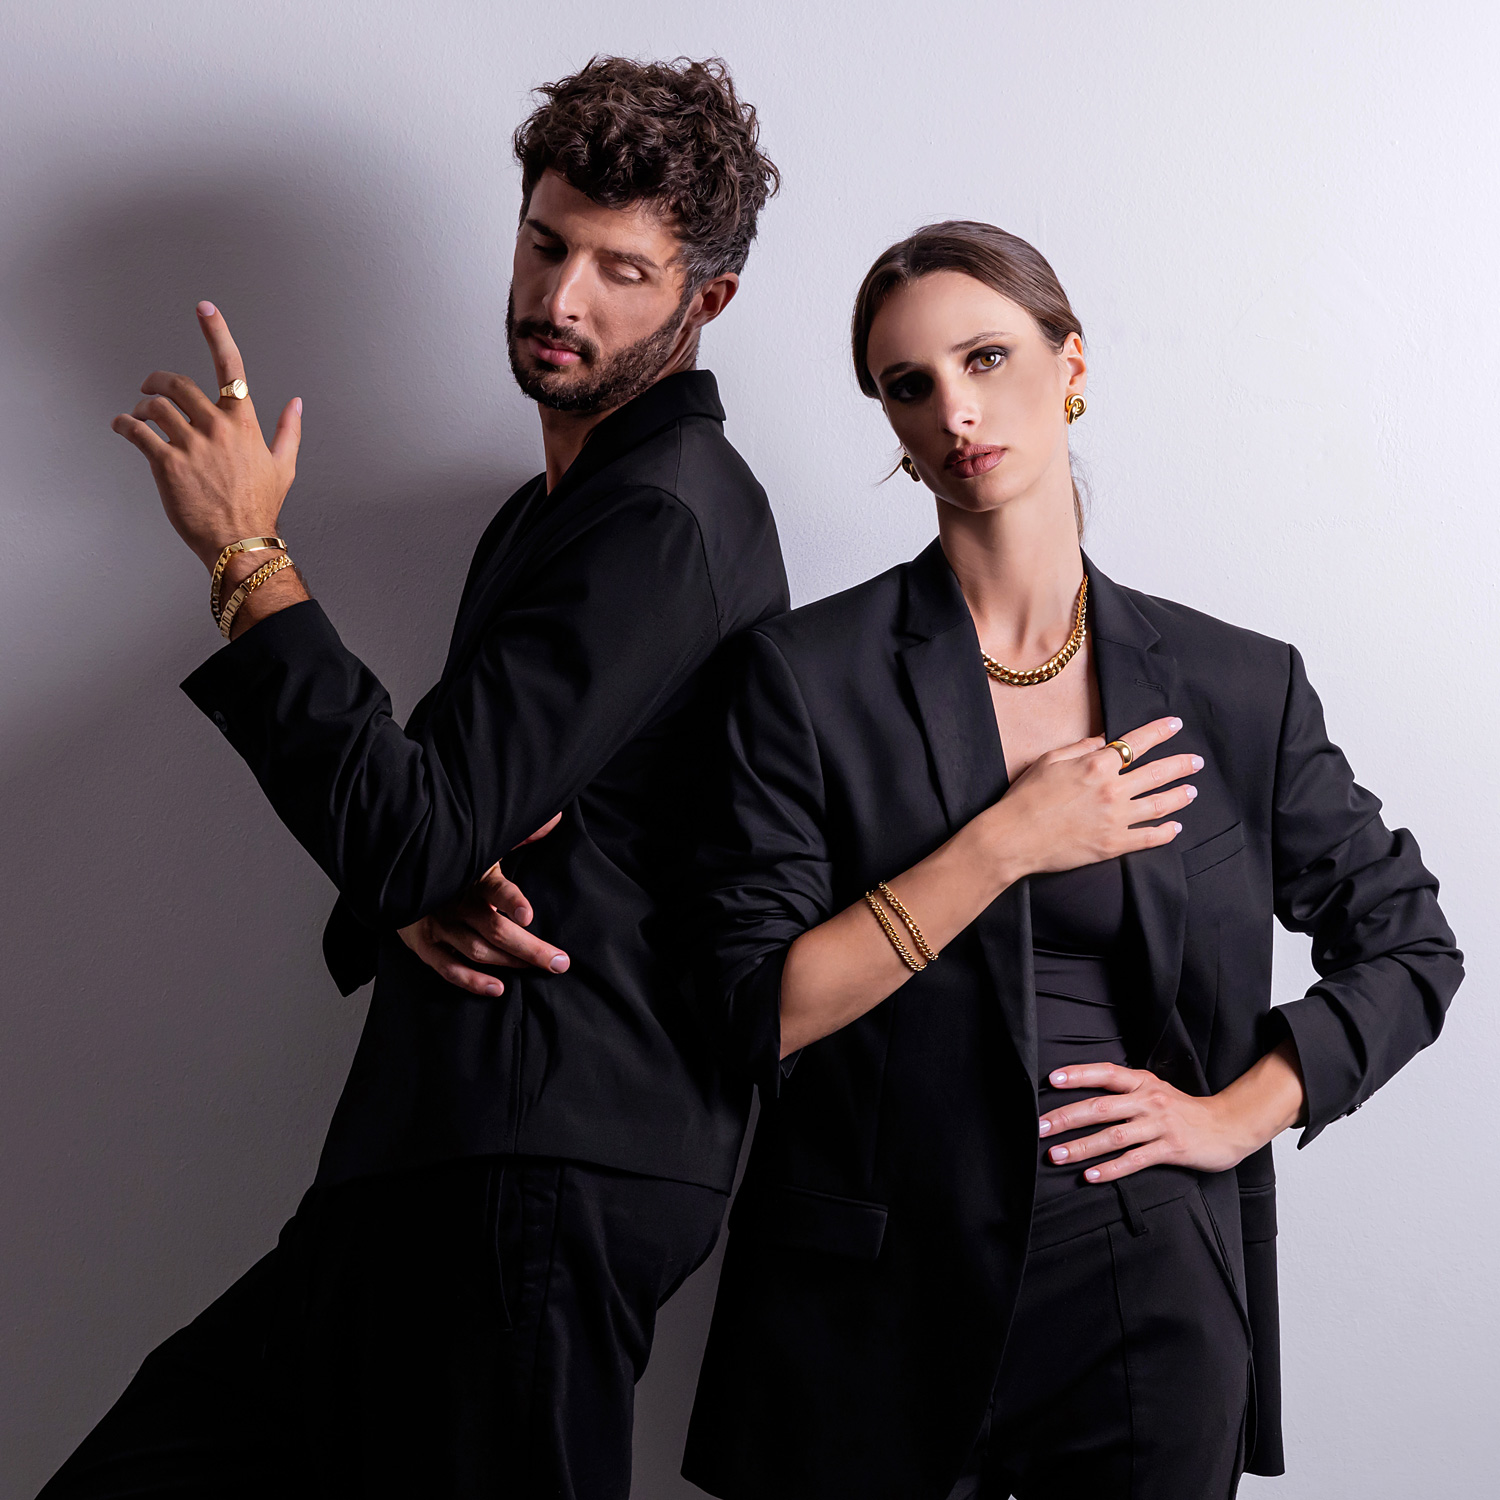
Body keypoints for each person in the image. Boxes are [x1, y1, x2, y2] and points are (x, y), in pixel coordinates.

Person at [42, 56, 786, 1500]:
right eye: (546, 242)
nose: (561, 297)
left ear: (707, 300)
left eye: (621, 270)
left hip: (542, 1159)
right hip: (446, 1150)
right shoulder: (550, 514)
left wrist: (247, 556)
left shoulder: (664, 521)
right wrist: (413, 879)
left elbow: (410, 823)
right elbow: (414, 823)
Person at [680, 221, 1462, 1500]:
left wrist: (1231, 1117)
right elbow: (756, 1011)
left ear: (1072, 363)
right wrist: (1003, 844)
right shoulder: (804, 677)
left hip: (1145, 1289)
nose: (956, 410)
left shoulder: (1234, 685)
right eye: (909, 384)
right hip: (875, 1305)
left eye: (986, 357)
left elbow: (1410, 946)